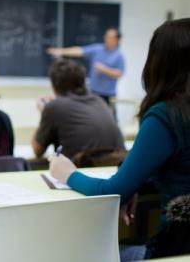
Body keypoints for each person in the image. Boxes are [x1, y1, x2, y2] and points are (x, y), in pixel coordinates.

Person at [49, 18, 190, 260]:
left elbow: (112, 192)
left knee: (85, 254)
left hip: (173, 250)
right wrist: (135, 181)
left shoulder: (166, 116)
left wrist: (68, 173)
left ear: (160, 62)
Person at [33, 59, 125, 159]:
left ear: (54, 85)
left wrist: (44, 112)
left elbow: (37, 151)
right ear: (83, 81)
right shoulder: (99, 100)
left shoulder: (54, 107)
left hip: (83, 170)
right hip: (116, 168)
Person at [47, 28, 125, 113]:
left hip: (108, 95)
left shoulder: (119, 56)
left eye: (109, 37)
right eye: (106, 36)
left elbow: (119, 74)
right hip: (93, 92)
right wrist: (61, 51)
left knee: (109, 117)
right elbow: (80, 50)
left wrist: (104, 69)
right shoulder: (98, 49)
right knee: (91, 115)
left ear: (116, 39)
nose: (106, 38)